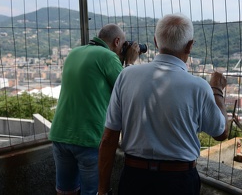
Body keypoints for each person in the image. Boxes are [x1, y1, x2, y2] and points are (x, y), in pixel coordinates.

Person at [98, 13, 229, 195]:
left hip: (134, 178)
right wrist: (217, 91)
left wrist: (102, 190)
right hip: (179, 181)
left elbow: (108, 138)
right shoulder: (198, 87)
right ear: (190, 46)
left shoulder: (126, 76)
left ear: (156, 41)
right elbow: (221, 133)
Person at [49, 23, 140, 195]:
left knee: (65, 190)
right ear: (117, 41)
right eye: (123, 45)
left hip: (60, 134)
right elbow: (128, 92)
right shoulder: (108, 57)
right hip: (89, 138)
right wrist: (129, 62)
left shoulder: (74, 53)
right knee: (93, 192)